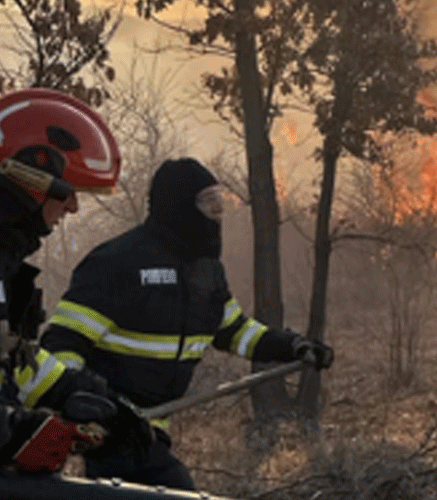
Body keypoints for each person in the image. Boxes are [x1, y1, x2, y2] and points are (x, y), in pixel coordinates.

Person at [39, 157, 335, 489]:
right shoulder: (116, 263)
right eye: (208, 201)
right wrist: (90, 406)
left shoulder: (206, 270)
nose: (218, 210)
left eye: (218, 200)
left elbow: (235, 331)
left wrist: (291, 346)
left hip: (152, 431)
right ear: (180, 205)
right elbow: (63, 346)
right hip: (112, 432)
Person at [0, 87, 137, 473]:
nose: (74, 207)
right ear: (30, 182)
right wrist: (15, 432)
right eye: (67, 193)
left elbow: (17, 362)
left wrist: (92, 398)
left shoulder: (6, 271)